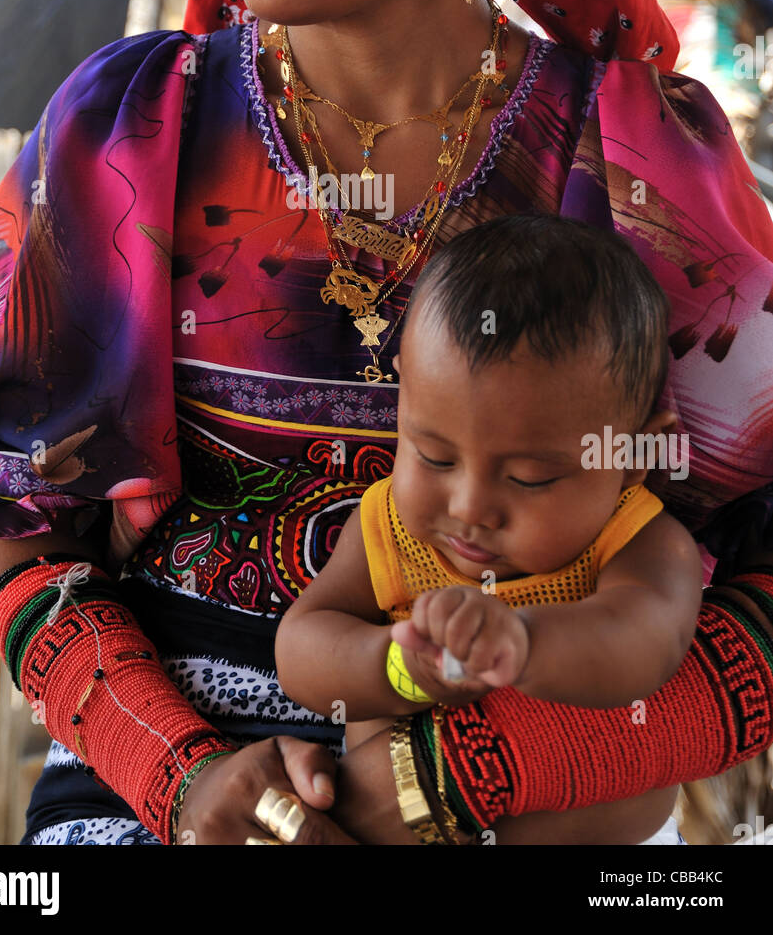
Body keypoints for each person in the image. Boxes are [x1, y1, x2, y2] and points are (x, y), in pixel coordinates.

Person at [0, 0, 773, 847]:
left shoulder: (637, 161)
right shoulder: (124, 135)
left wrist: (473, 775)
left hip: (547, 785)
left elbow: (758, 576)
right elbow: (24, 536)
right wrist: (188, 783)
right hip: (185, 780)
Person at [276, 215, 704, 844]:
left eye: (531, 478)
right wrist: (398, 667)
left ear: (634, 457)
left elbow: (646, 643)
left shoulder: (637, 541)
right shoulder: (394, 527)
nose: (470, 505)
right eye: (434, 456)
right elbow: (302, 649)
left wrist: (524, 645)